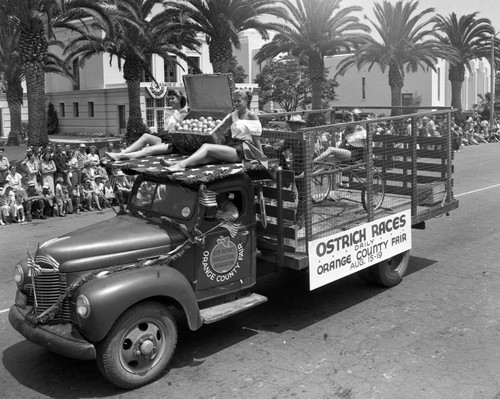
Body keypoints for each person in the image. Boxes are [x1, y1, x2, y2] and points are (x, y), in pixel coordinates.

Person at [162, 89, 266, 172]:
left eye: (239, 101)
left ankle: (181, 165)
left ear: (246, 101)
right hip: (232, 146)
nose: (236, 103)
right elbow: (219, 122)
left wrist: (262, 159)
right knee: (207, 158)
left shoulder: (251, 115)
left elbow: (256, 139)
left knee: (206, 147)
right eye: (234, 101)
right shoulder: (234, 114)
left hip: (243, 150)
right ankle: (179, 163)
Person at [106, 90, 188, 161]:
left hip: (174, 142)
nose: (170, 101)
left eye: (172, 98)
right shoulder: (169, 112)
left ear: (179, 99)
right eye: (169, 99)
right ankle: (122, 152)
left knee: (147, 149)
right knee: (145, 136)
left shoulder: (185, 113)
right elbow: (166, 128)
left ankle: (121, 156)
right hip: (165, 137)